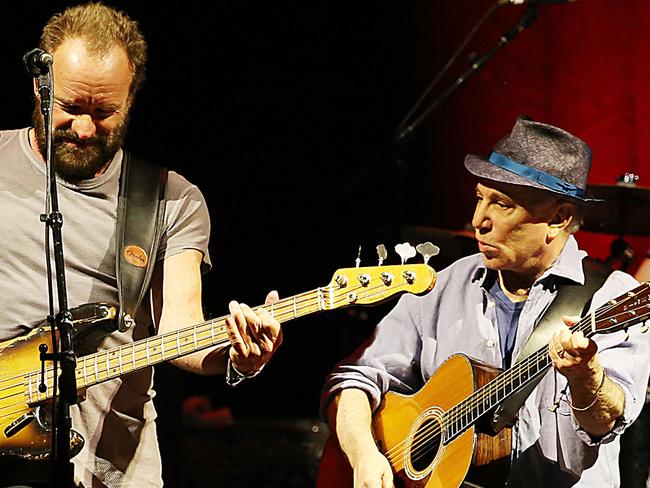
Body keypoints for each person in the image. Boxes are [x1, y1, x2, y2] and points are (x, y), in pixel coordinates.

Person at [0, 3, 282, 487]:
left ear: (131, 100)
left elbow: (181, 333)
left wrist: (237, 358)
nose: (85, 129)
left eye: (104, 112)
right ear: (38, 85)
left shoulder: (172, 201)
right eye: (70, 108)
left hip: (107, 467)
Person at [322, 117, 650, 487]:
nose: (479, 220)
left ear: (558, 219)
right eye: (480, 198)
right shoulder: (446, 284)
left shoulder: (613, 296)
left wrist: (584, 374)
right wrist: (364, 454)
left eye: (503, 204)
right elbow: (354, 378)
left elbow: (604, 422)